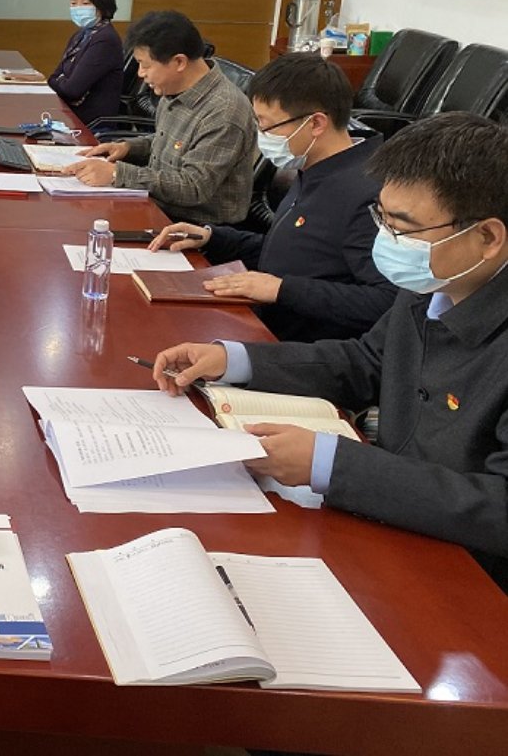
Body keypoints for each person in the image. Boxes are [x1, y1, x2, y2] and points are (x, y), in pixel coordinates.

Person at [151, 113, 508, 589]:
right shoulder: (436, 281)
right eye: (381, 218)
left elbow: (498, 508)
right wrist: (235, 360)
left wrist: (331, 464)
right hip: (396, 531)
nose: (386, 241)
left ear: (487, 237)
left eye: (403, 228)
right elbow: (368, 361)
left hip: (471, 581)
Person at [148, 53, 397, 343]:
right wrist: (213, 238)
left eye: (267, 126)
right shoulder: (314, 168)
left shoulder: (367, 195)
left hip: (303, 349)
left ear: (316, 124)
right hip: (262, 323)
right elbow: (295, 253)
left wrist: (281, 289)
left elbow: (387, 302)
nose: (261, 135)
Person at [63, 9, 254, 225]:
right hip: (156, 204)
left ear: (179, 62)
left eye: (145, 65)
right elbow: (172, 142)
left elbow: (193, 187)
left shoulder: (224, 112)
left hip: (195, 227)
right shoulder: (175, 88)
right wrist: (128, 148)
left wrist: (118, 173)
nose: (140, 74)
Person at [47, 0, 124, 125]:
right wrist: (62, 80)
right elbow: (53, 78)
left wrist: (61, 80)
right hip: (70, 115)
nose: (78, 9)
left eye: (85, 3)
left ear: (102, 5)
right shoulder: (81, 35)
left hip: (90, 124)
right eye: (73, 3)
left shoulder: (105, 40)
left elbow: (72, 90)